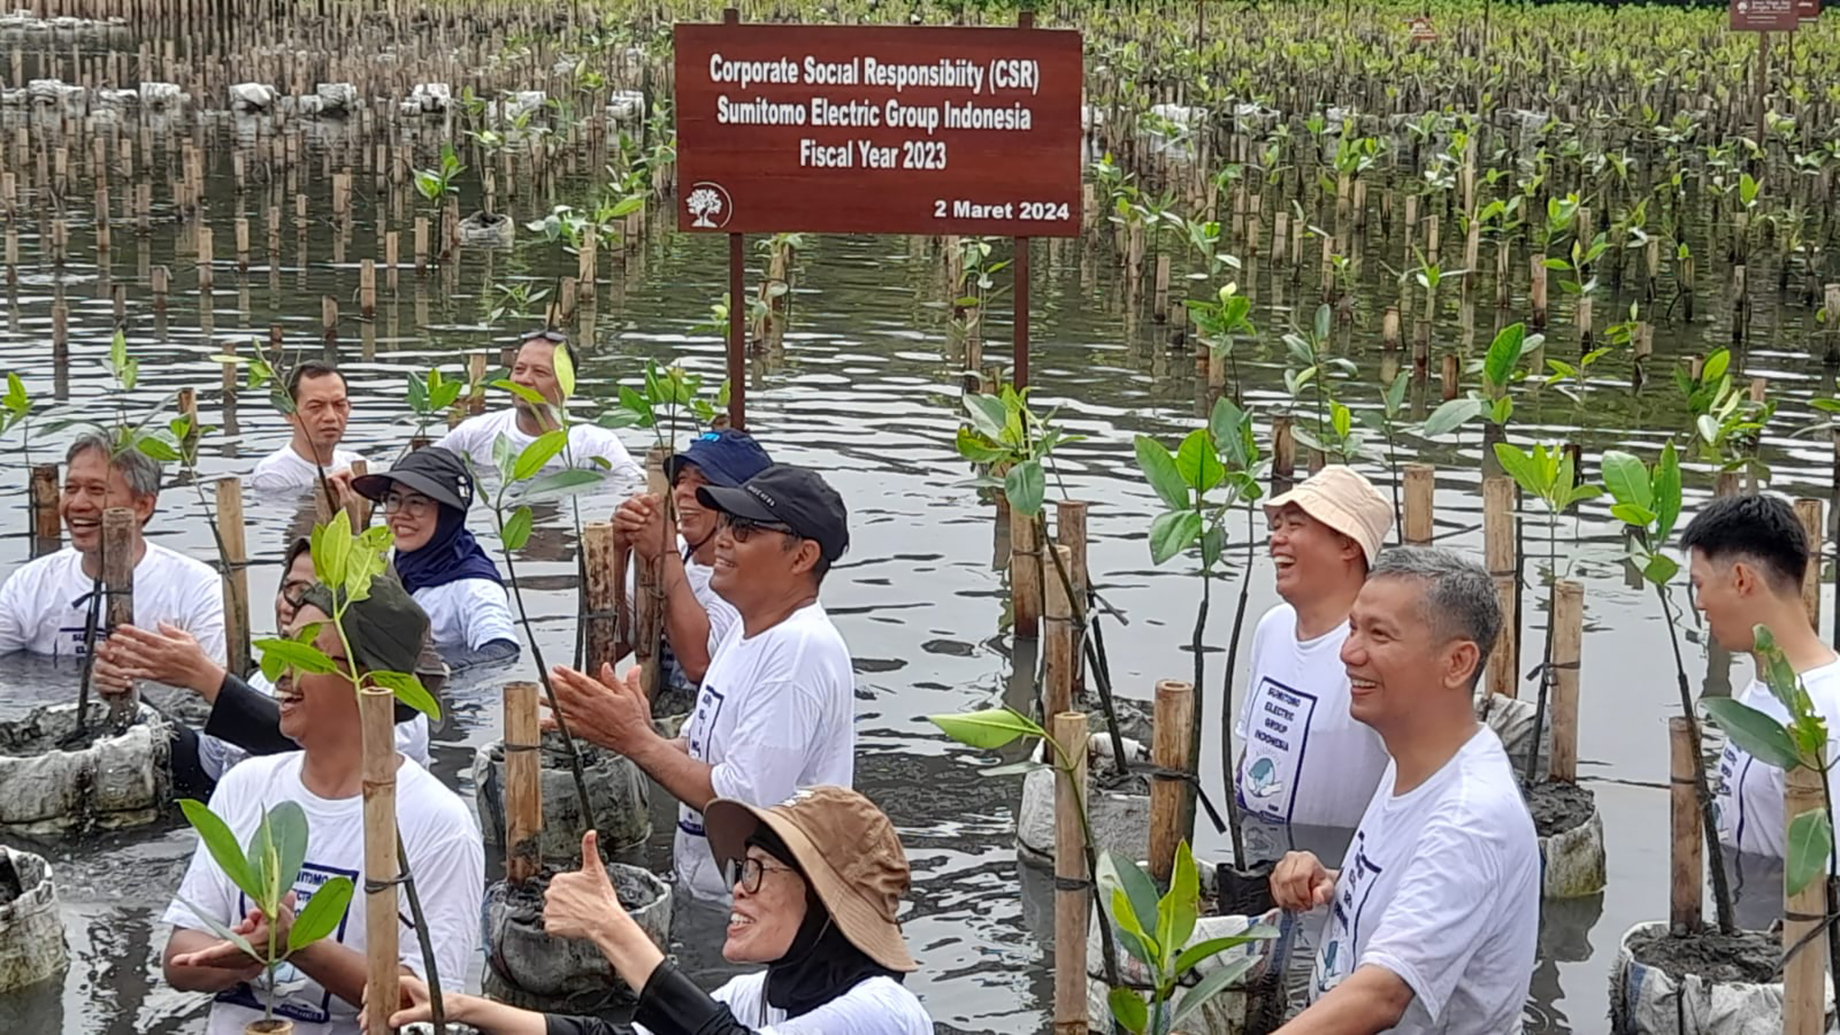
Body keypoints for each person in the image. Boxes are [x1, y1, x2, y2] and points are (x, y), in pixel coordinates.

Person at [162, 576, 483, 1035]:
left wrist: (299, 945)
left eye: (304, 657)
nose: (281, 676)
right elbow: (177, 960)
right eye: (284, 652)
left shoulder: (436, 822)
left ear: (368, 681)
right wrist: (247, 954)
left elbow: (426, 1009)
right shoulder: (246, 785)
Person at [373, 785, 932, 1035]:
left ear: (825, 902)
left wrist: (611, 927)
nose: (739, 888)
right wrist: (465, 1009)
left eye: (758, 870)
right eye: (743, 869)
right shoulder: (755, 997)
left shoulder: (881, 1011)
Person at [551, 465, 856, 900]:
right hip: (718, 897)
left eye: (746, 530)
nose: (725, 539)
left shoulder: (799, 651)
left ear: (802, 556)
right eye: (728, 524)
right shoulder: (746, 630)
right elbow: (699, 753)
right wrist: (632, 729)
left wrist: (636, 739)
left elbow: (742, 800)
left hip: (775, 908)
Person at [1271, 546, 1537, 1034]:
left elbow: (1382, 996)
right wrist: (1332, 884)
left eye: (1379, 635)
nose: (1349, 653)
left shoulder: (1470, 816)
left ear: (1457, 663)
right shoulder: (1412, 762)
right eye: (1352, 628)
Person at [96, 537, 442, 796]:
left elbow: (318, 748)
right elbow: (207, 766)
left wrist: (206, 679)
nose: (297, 605)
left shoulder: (392, 703)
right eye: (290, 587)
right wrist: (135, 699)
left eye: (316, 593)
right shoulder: (264, 680)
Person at [1234, 465, 1393, 854]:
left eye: (1294, 525)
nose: (1277, 540)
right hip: (1257, 857)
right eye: (1276, 527)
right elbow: (1252, 748)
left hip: (1334, 873)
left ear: (1347, 545)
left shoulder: (1376, 651)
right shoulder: (1272, 628)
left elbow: (1417, 780)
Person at [1684, 495, 1840, 868]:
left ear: (1741, 579)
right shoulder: (1761, 691)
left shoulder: (1826, 718)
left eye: (1698, 584)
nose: (1700, 604)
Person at [0, 431, 223, 661]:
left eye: (96, 490)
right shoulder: (30, 583)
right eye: (71, 489)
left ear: (143, 506)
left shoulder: (196, 589)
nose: (78, 504)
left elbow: (216, 684)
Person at [615, 428, 773, 706]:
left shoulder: (754, 568)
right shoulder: (674, 547)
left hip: (711, 709)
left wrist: (665, 552)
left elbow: (700, 665)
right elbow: (616, 645)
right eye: (680, 480)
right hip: (659, 705)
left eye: (703, 483)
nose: (683, 493)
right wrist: (617, 550)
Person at [352, 446, 519, 666]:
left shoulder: (474, 587)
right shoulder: (392, 567)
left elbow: (502, 650)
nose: (401, 514)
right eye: (393, 500)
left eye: (417, 503)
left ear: (448, 514)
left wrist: (437, 673)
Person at [436, 330, 643, 487]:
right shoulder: (475, 434)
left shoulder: (595, 445)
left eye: (540, 372)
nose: (524, 380)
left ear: (565, 385)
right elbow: (420, 469)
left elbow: (637, 490)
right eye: (519, 369)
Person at [248, 361, 364, 494]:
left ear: (349, 407)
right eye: (315, 407)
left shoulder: (357, 465)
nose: (330, 417)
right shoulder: (273, 476)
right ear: (289, 414)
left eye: (339, 405)